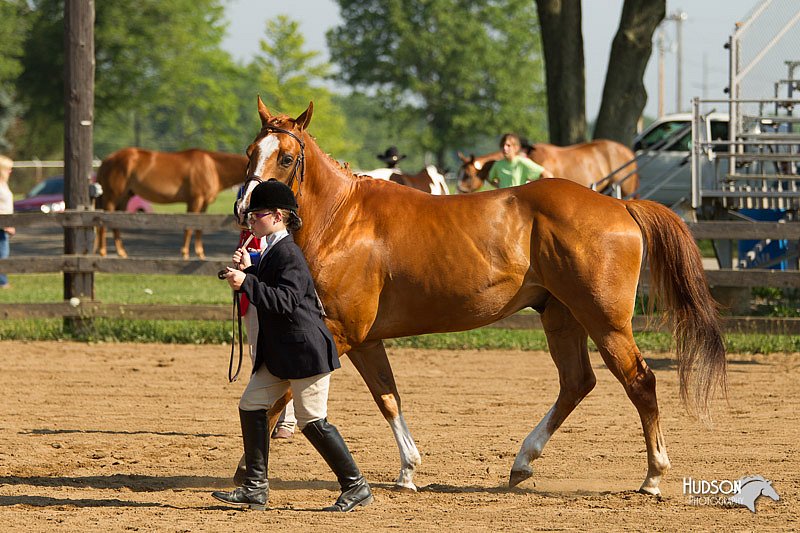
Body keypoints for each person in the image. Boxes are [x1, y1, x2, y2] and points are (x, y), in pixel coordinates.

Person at [215, 179, 373, 512]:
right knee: (251, 405)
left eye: (255, 215)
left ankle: (356, 486)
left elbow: (285, 300)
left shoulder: (289, 251)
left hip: (304, 352)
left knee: (313, 421)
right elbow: (274, 283)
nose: (250, 221)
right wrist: (250, 270)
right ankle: (255, 487)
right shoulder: (274, 248)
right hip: (284, 353)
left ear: (276, 216)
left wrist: (247, 283)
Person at [236, 220, 296, 441]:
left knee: (282, 357)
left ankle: (287, 419)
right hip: (254, 285)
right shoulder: (251, 209)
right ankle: (265, 412)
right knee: (257, 354)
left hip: (274, 290)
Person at [488, 133, 553, 188]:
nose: (505, 148)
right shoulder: (498, 164)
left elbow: (547, 175)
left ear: (516, 148)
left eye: (508, 145)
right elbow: (490, 178)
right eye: (503, 145)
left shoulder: (522, 161)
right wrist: (500, 188)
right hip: (504, 200)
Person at [0, 155, 16, 289]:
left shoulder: (4, 185)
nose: (11, 172)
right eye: (9, 169)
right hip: (1, 226)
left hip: (4, 226)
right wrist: (5, 225)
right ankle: (3, 282)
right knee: (2, 255)